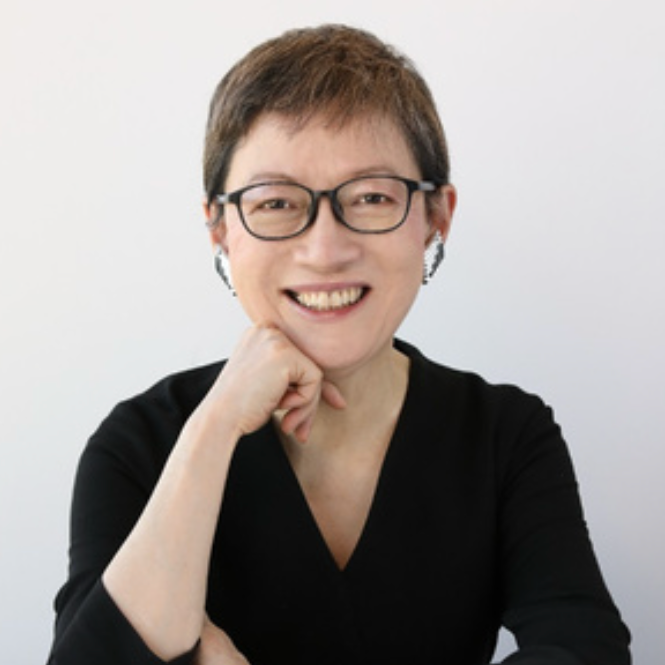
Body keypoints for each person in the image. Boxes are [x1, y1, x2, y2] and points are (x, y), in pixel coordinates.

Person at [46, 24, 631, 665]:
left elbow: (585, 650)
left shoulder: (506, 435)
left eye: (372, 196)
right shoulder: (137, 445)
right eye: (275, 203)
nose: (325, 250)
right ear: (219, 229)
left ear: (436, 217)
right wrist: (213, 429)